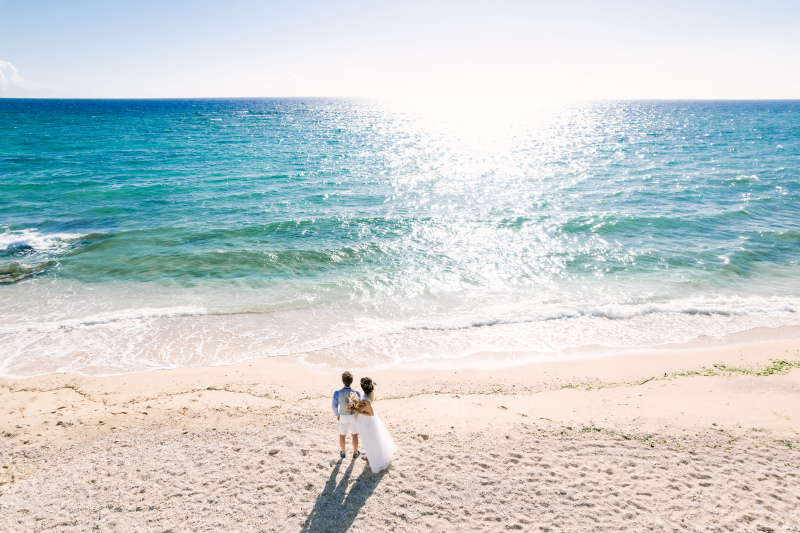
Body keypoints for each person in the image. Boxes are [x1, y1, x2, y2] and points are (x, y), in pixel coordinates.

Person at [355, 376, 398, 473]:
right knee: (373, 437)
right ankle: (371, 453)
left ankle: (372, 457)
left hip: (367, 421)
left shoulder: (365, 399)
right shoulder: (371, 393)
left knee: (369, 438)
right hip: (369, 420)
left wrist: (358, 410)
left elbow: (370, 413)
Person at [332, 371, 361, 459]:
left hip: (343, 416)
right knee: (355, 434)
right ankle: (355, 452)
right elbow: (358, 406)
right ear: (351, 381)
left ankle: (343, 452)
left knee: (342, 435)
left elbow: (334, 406)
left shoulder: (337, 392)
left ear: (343, 381)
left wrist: (337, 413)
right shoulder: (356, 392)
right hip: (353, 416)